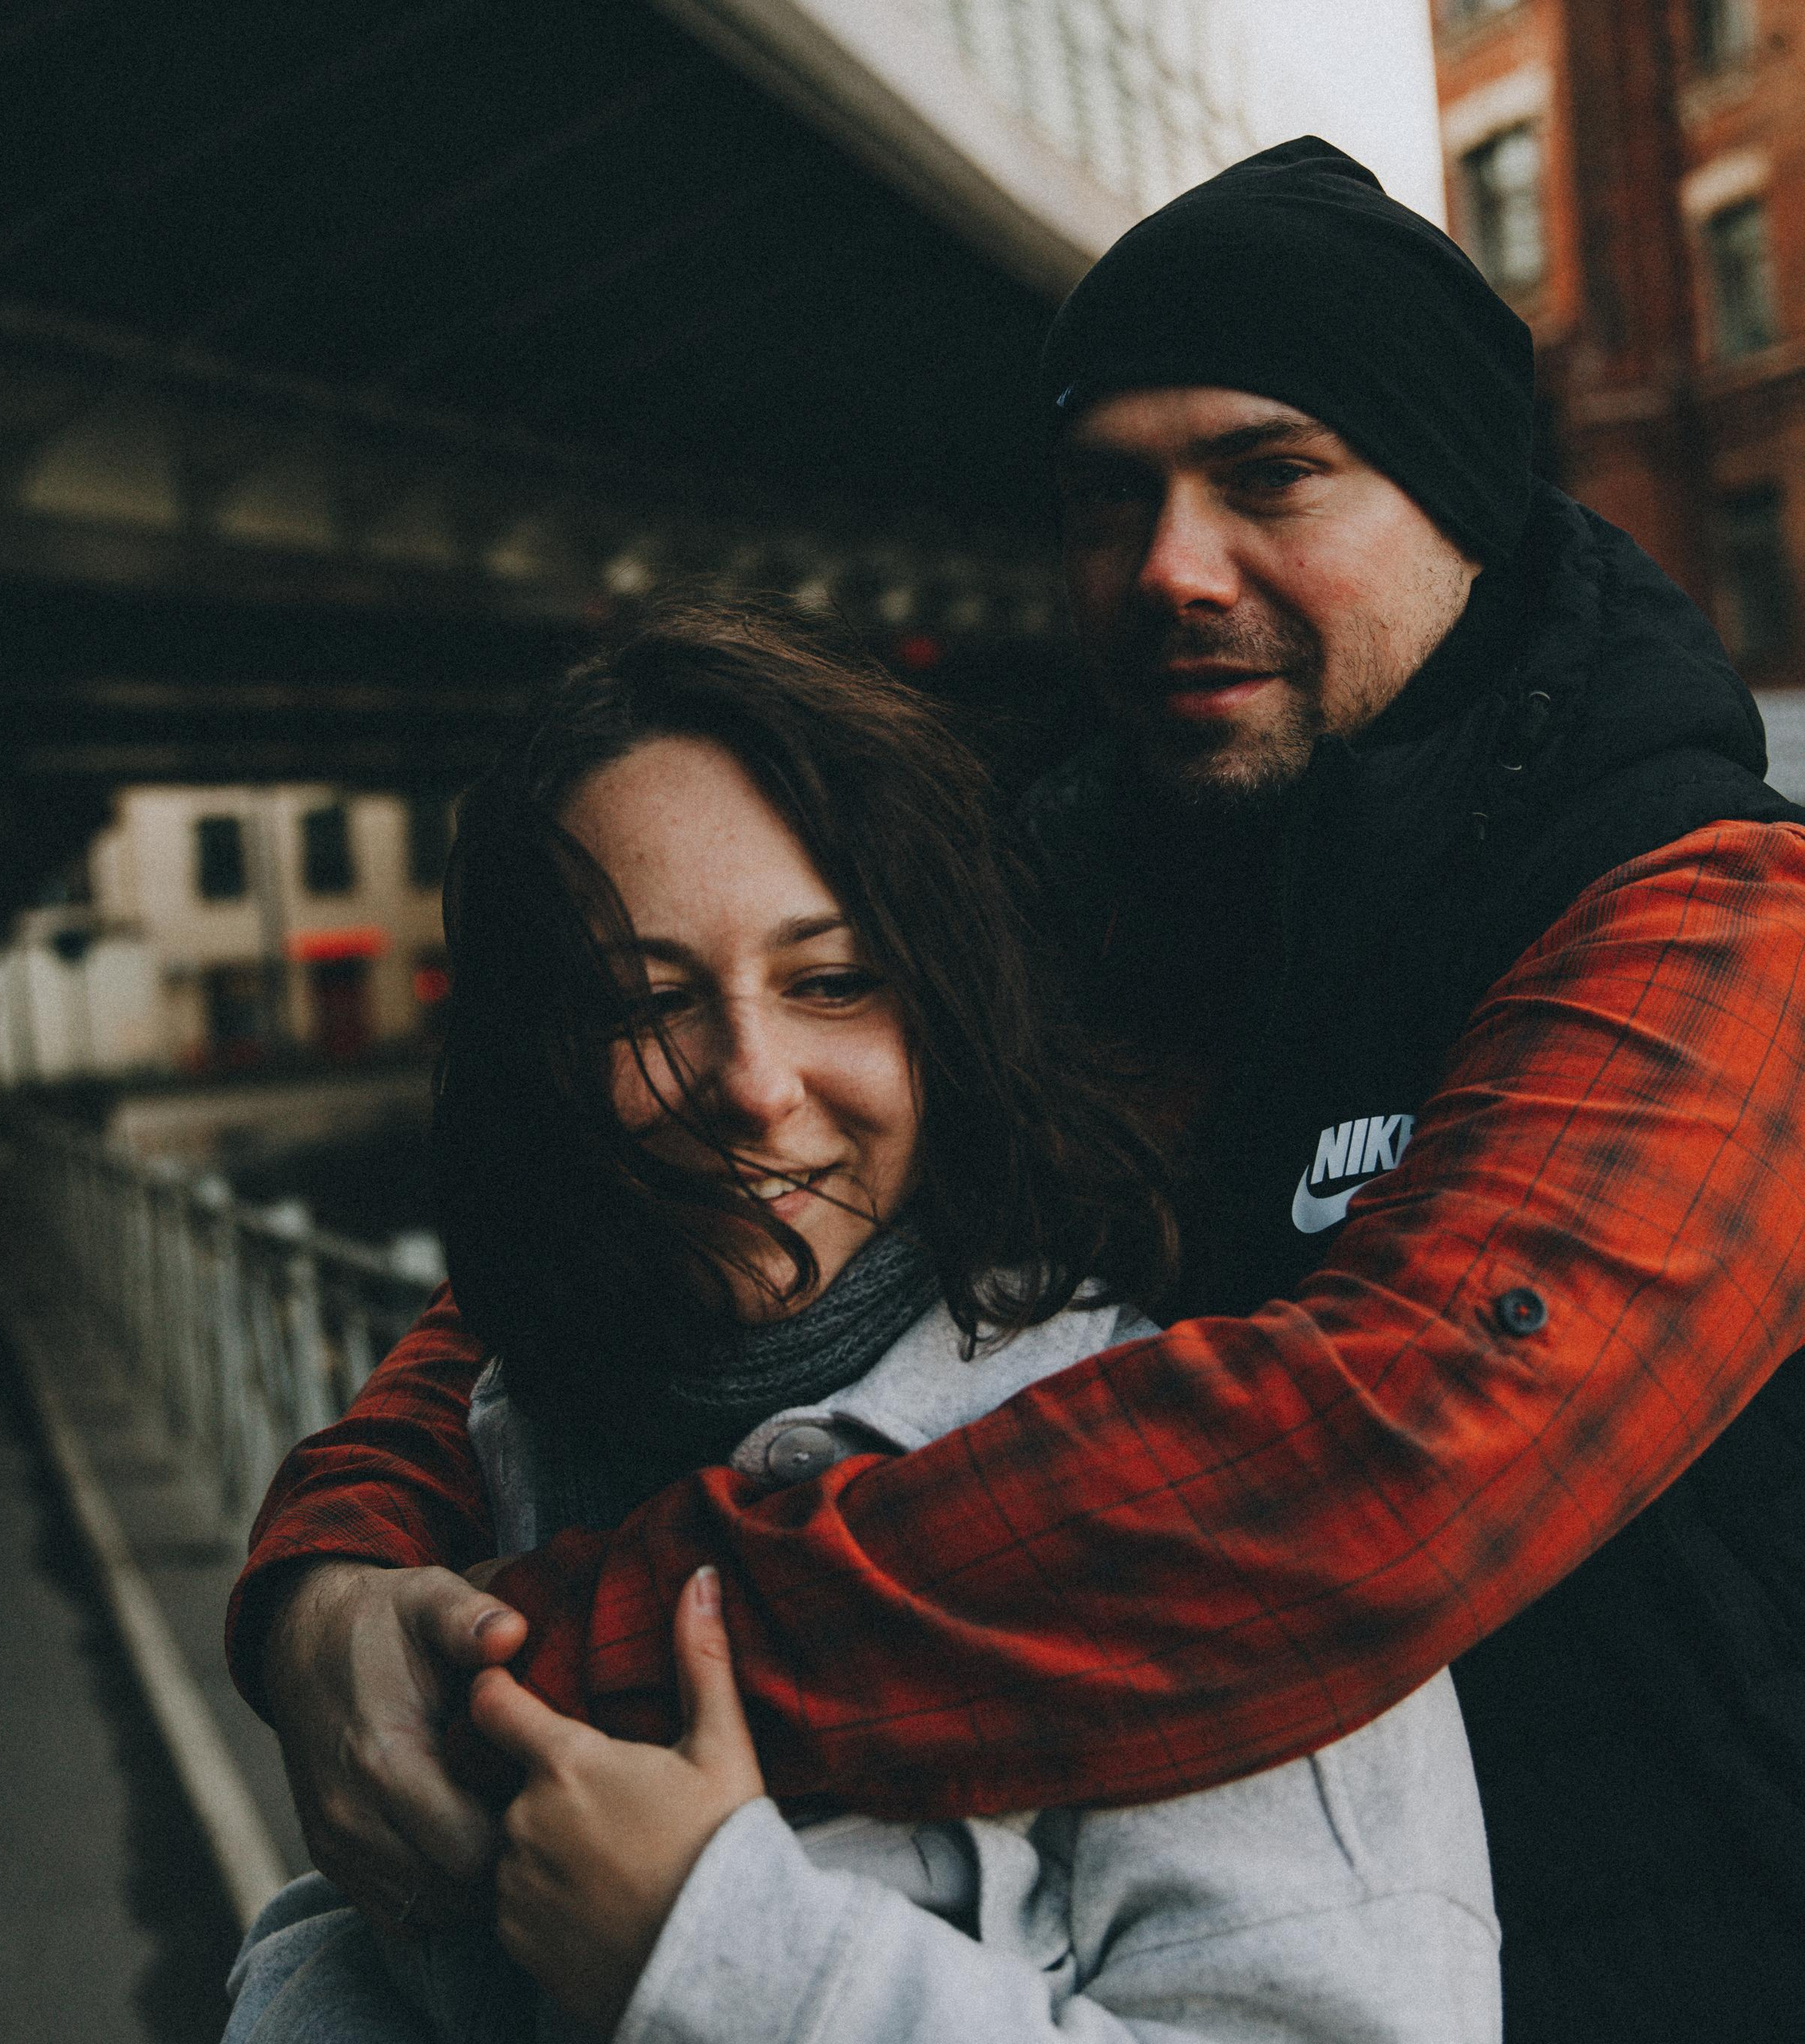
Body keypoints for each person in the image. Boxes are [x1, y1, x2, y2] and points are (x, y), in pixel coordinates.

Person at [230, 140, 1805, 2042]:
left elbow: (1369, 1470)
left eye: (1268, 474)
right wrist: (333, 1567)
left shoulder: (1710, 916)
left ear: (1458, 499)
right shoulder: (1060, 890)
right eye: (1105, 495)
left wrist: (523, 1657)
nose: (1169, 566)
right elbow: (619, 1232)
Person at [227, 604, 1498, 2043]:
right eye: (646, 1004)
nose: (755, 1084)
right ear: (541, 1063)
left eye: (832, 983)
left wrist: (717, 1956)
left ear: (948, 1012)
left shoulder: (1183, 1495)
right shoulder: (494, 1464)